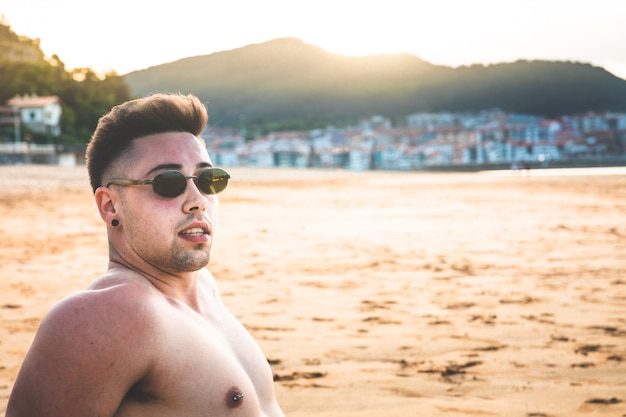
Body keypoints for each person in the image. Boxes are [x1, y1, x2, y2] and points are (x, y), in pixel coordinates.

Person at [6, 93, 285, 417]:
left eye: (209, 180)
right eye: (168, 183)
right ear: (111, 206)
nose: (197, 200)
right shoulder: (103, 317)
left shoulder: (204, 290)